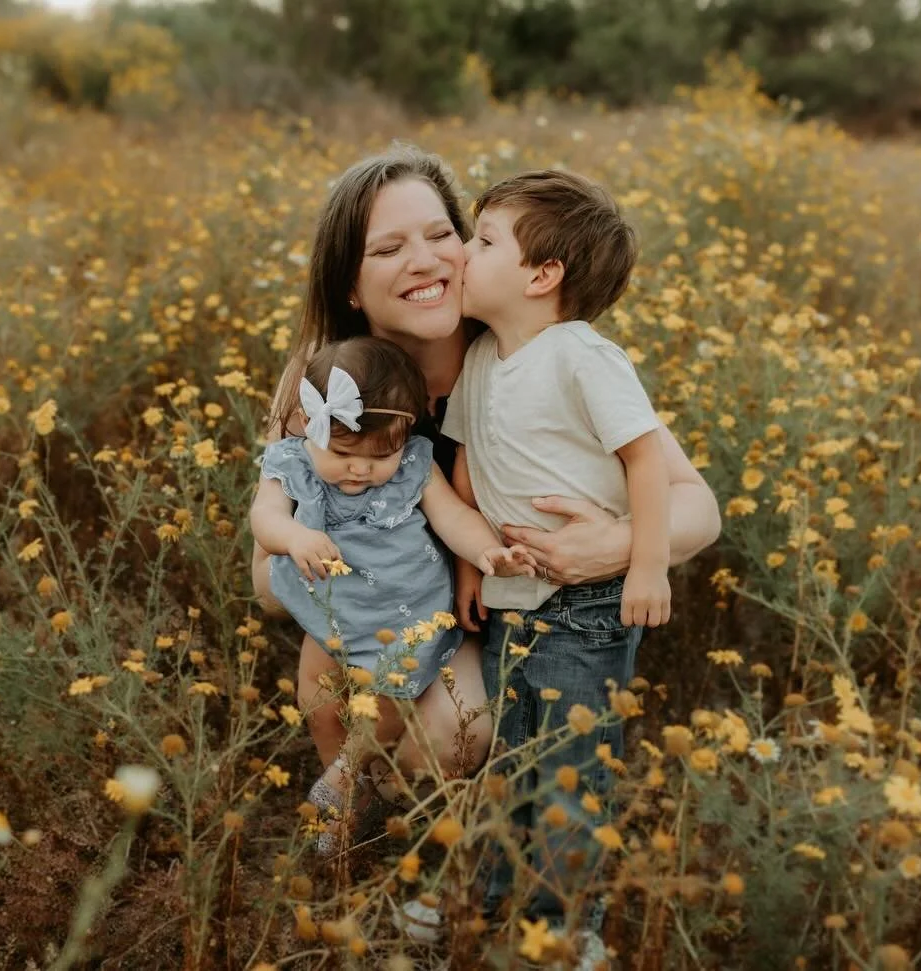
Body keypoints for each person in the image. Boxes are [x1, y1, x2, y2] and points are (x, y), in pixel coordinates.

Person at [248, 144, 721, 851]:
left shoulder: (524, 347)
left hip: (504, 615)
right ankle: (354, 812)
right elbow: (265, 583)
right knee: (337, 680)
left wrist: (617, 544)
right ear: (350, 285)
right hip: (373, 619)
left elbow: (697, 505)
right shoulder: (326, 385)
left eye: (442, 234)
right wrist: (352, 564)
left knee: (454, 730)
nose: (427, 260)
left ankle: (421, 823)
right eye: (389, 249)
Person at [442, 168, 670, 956]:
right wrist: (470, 567)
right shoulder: (482, 358)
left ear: (542, 276)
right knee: (512, 765)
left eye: (483, 240)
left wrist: (648, 564)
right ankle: (493, 909)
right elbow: (467, 470)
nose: (463, 252)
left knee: (572, 774)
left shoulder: (581, 355)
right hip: (511, 597)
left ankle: (565, 932)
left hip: (591, 605)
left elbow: (645, 459)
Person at [250, 337, 533, 852]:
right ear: (309, 424)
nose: (361, 469)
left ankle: (344, 780)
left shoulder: (414, 466)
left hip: (407, 619)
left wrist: (487, 552)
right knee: (318, 702)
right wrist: (292, 536)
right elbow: (264, 518)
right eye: (343, 454)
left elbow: (453, 517)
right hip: (330, 613)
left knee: (385, 707)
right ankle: (346, 787)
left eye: (381, 454)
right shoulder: (292, 463)